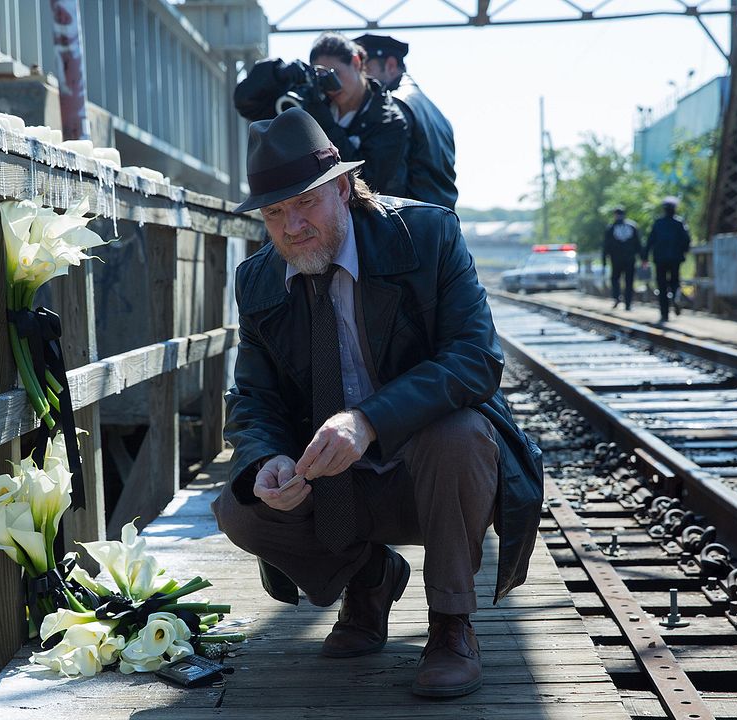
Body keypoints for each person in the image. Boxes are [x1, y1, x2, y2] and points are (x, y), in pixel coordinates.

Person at [212, 108, 544, 699]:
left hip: (430, 469)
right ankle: (369, 578)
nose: (292, 227)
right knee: (240, 506)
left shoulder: (429, 235)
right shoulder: (257, 279)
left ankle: (450, 624)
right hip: (333, 482)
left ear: (342, 187)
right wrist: (264, 461)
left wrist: (369, 421)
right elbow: (254, 399)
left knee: (459, 433)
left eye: (305, 203)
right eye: (274, 213)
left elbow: (476, 358)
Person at [233, 32, 409, 197]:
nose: (331, 86)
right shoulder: (312, 101)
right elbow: (247, 104)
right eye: (321, 76)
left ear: (356, 63)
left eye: (335, 74)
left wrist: (322, 122)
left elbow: (366, 183)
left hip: (358, 224)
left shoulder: (389, 120)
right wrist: (277, 74)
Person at [354, 33, 458, 209]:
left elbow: (385, 182)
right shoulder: (436, 112)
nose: (360, 80)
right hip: (439, 224)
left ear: (391, 65)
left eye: (365, 69)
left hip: (409, 223)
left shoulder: (392, 107)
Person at [642, 196, 691, 323]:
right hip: (675, 259)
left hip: (660, 259)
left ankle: (664, 314)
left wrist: (645, 257)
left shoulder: (658, 223)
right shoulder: (679, 223)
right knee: (675, 281)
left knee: (662, 285)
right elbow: (686, 240)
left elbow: (650, 241)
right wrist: (684, 252)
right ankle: (675, 296)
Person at [602, 206, 642, 310]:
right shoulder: (632, 226)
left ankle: (617, 297)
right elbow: (638, 244)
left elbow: (606, 245)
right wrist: (643, 257)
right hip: (630, 259)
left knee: (615, 279)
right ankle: (628, 304)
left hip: (616, 260)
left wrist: (604, 259)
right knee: (629, 281)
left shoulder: (611, 228)